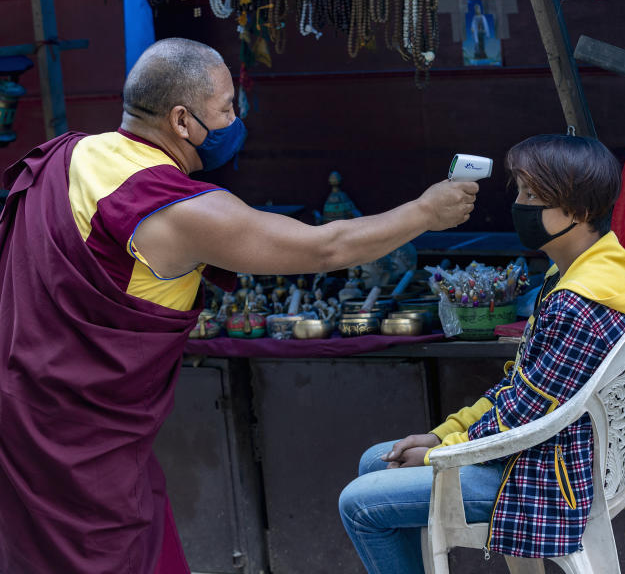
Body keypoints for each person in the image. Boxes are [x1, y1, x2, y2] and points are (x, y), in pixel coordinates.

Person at [0, 38, 478, 574]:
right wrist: (424, 212)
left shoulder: (72, 155)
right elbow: (326, 247)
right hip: (82, 448)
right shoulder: (171, 207)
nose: (236, 118)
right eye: (227, 107)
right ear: (182, 121)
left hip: (24, 416)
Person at [339, 134, 625, 572]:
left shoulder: (579, 301)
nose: (521, 205)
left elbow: (524, 414)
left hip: (548, 477)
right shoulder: (601, 270)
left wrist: (441, 453)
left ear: (582, 211)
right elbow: (523, 391)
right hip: (570, 454)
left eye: (535, 196)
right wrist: (443, 435)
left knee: (358, 505)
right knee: (374, 462)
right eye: (521, 192)